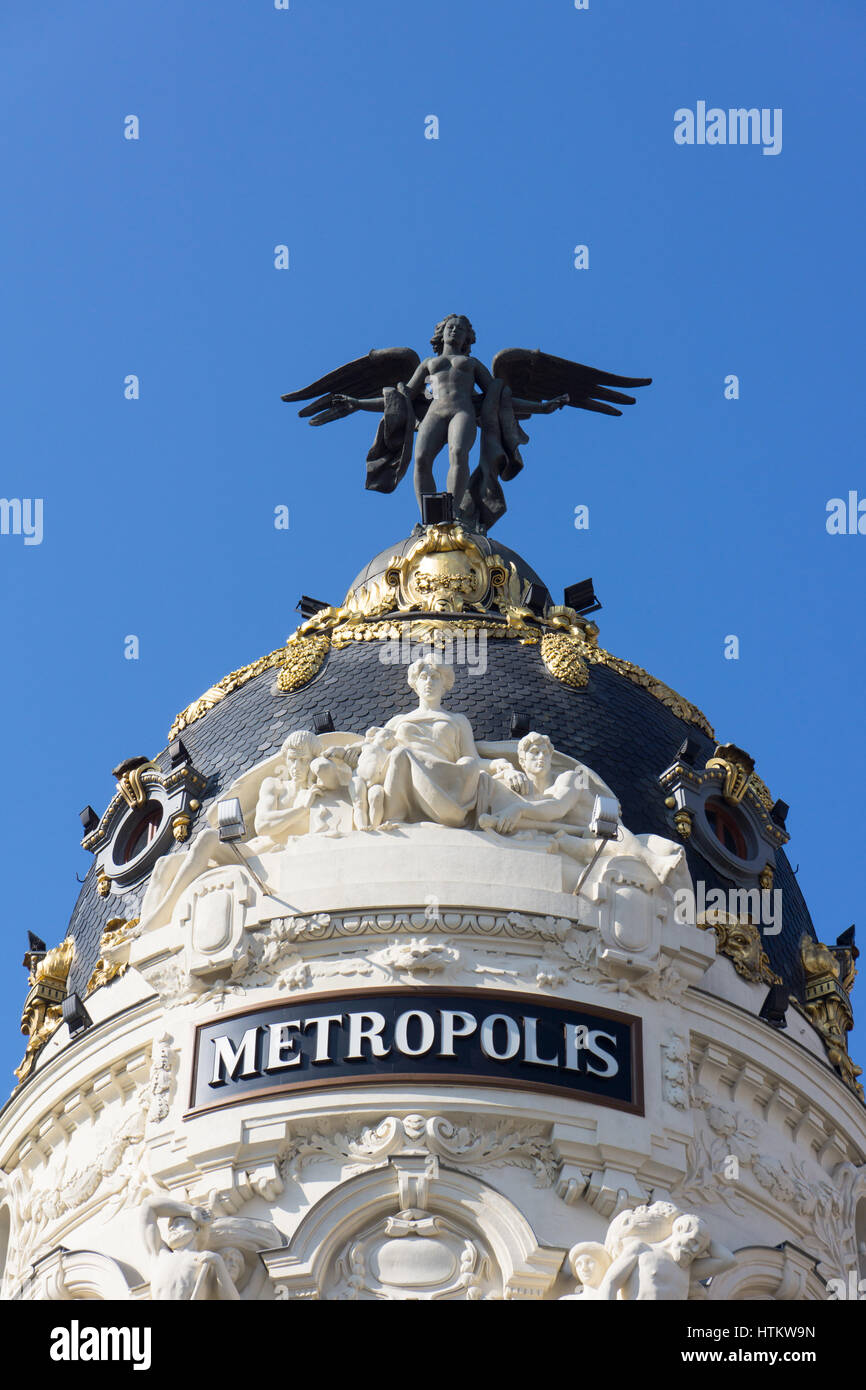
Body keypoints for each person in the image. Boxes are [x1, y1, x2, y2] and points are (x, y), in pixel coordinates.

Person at [334, 314, 567, 524]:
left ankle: (453, 513)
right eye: (450, 327)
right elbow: (400, 398)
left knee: (457, 453)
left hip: (462, 411)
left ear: (467, 337)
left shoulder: (472, 364)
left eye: (460, 329)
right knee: (422, 459)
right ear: (441, 333)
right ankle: (430, 519)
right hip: (434, 412)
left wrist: (543, 407)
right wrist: (357, 403)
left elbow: (500, 398)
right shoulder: (428, 364)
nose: (454, 331)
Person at [141, 1196, 240, 1301]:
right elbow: (148, 1206)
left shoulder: (206, 1262)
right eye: (170, 1226)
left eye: (178, 1223)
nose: (171, 1228)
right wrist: (190, 1211)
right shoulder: (159, 1254)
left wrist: (218, 1262)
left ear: (197, 1229)